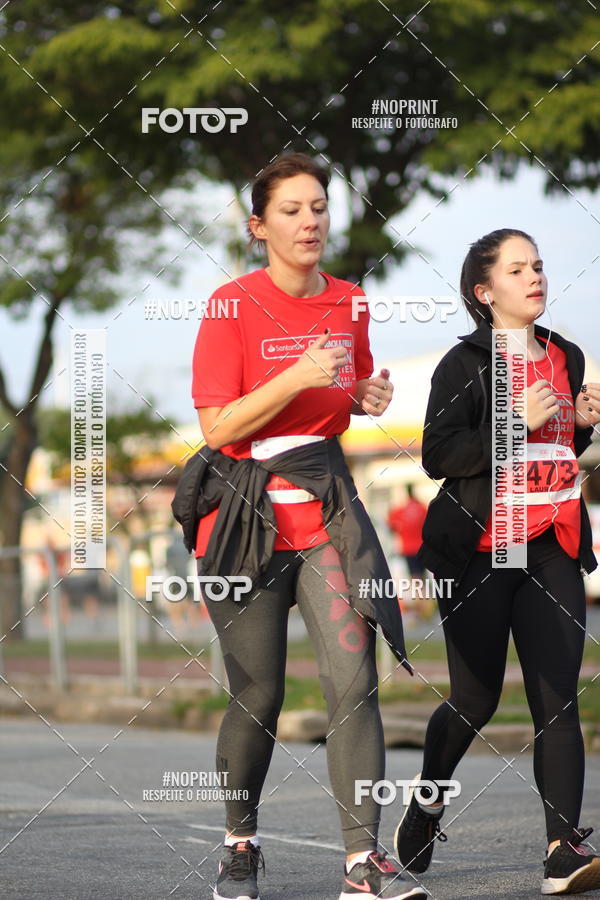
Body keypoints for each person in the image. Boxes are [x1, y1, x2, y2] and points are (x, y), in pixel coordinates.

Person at [189, 153, 426, 900]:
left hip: (328, 516)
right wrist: (294, 377)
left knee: (355, 684)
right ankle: (238, 844)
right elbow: (217, 423)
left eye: (319, 205)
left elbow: (344, 386)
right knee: (257, 694)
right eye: (291, 210)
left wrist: (366, 394)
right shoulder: (230, 306)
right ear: (259, 227)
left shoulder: (351, 300)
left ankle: (363, 864)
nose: (311, 220)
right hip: (243, 523)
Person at [393, 228, 600, 895]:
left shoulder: (566, 354)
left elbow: (563, 445)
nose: (535, 277)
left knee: (557, 701)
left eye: (539, 265)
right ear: (485, 292)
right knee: (475, 700)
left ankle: (562, 853)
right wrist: (514, 421)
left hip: (552, 542)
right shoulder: (465, 364)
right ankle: (427, 802)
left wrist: (586, 420)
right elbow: (439, 454)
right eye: (518, 269)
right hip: (483, 546)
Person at [387, 485, 430, 620]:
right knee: (422, 579)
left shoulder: (401, 510)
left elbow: (391, 525)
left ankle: (420, 610)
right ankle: (424, 608)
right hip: (422, 548)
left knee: (415, 579)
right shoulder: (423, 508)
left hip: (408, 549)